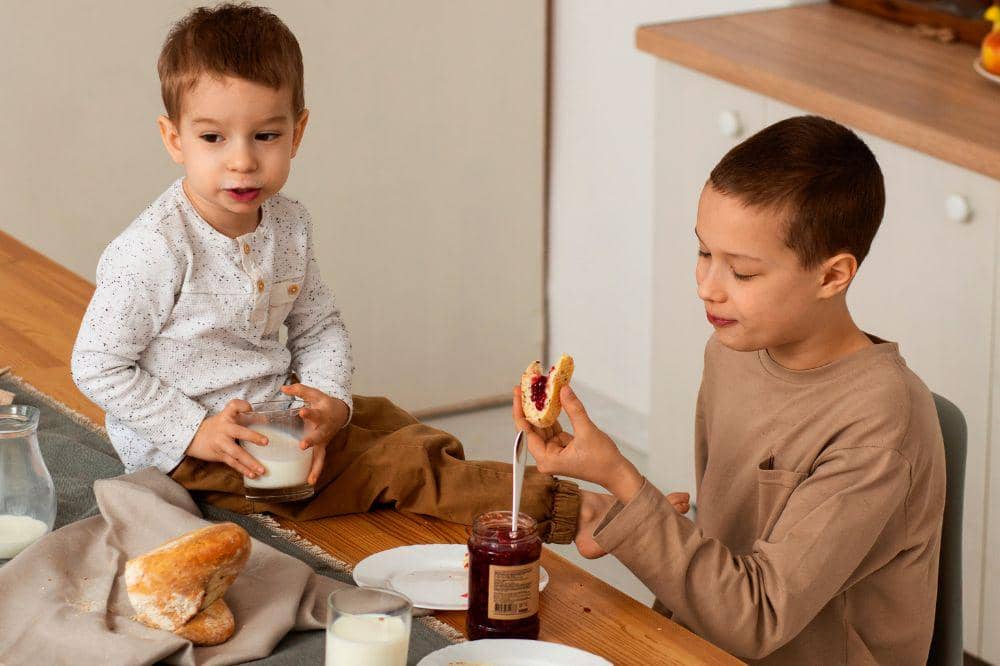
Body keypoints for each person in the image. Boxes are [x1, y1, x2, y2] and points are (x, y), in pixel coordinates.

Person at [71, 3, 585, 539]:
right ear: (174, 138)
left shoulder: (289, 224)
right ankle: (575, 514)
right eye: (213, 138)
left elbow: (318, 327)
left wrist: (327, 401)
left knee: (386, 419)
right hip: (197, 457)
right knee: (405, 466)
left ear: (297, 131)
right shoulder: (155, 248)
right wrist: (194, 432)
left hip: (275, 415)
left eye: (265, 136)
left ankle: (459, 495)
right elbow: (97, 365)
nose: (242, 160)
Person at [515, 116, 946, 664]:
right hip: (699, 641)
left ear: (832, 276)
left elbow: (758, 619)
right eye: (703, 253)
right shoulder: (730, 354)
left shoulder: (881, 425)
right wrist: (630, 516)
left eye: (742, 272)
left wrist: (621, 478)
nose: (706, 287)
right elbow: (730, 543)